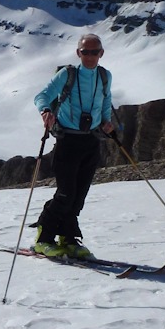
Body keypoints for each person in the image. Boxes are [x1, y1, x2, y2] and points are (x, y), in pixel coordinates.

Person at [31, 33, 116, 259]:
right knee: (66, 193)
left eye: (94, 52)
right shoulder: (67, 74)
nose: (89, 56)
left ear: (101, 53)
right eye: (85, 52)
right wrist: (45, 111)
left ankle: (68, 238)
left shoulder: (104, 76)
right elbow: (42, 96)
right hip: (68, 140)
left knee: (79, 195)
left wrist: (107, 122)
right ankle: (44, 238)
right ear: (78, 53)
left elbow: (105, 101)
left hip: (91, 140)